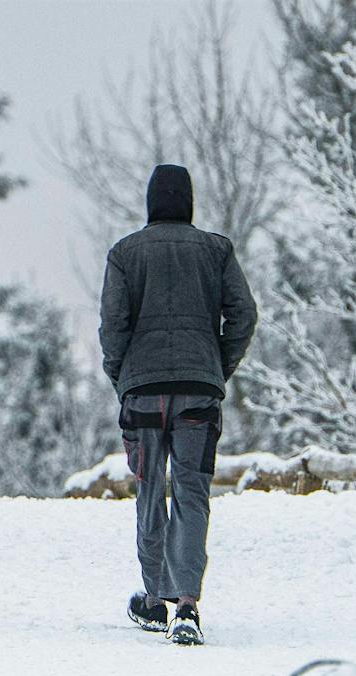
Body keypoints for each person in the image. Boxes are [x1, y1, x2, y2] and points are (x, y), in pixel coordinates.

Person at [98, 163, 258, 646]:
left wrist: (123, 377)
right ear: (188, 201)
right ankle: (187, 605)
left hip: (143, 392)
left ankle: (153, 601)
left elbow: (112, 326)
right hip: (198, 391)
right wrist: (216, 366)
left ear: (151, 202)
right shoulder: (216, 250)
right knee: (191, 490)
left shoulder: (125, 253)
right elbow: (244, 315)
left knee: (150, 489)